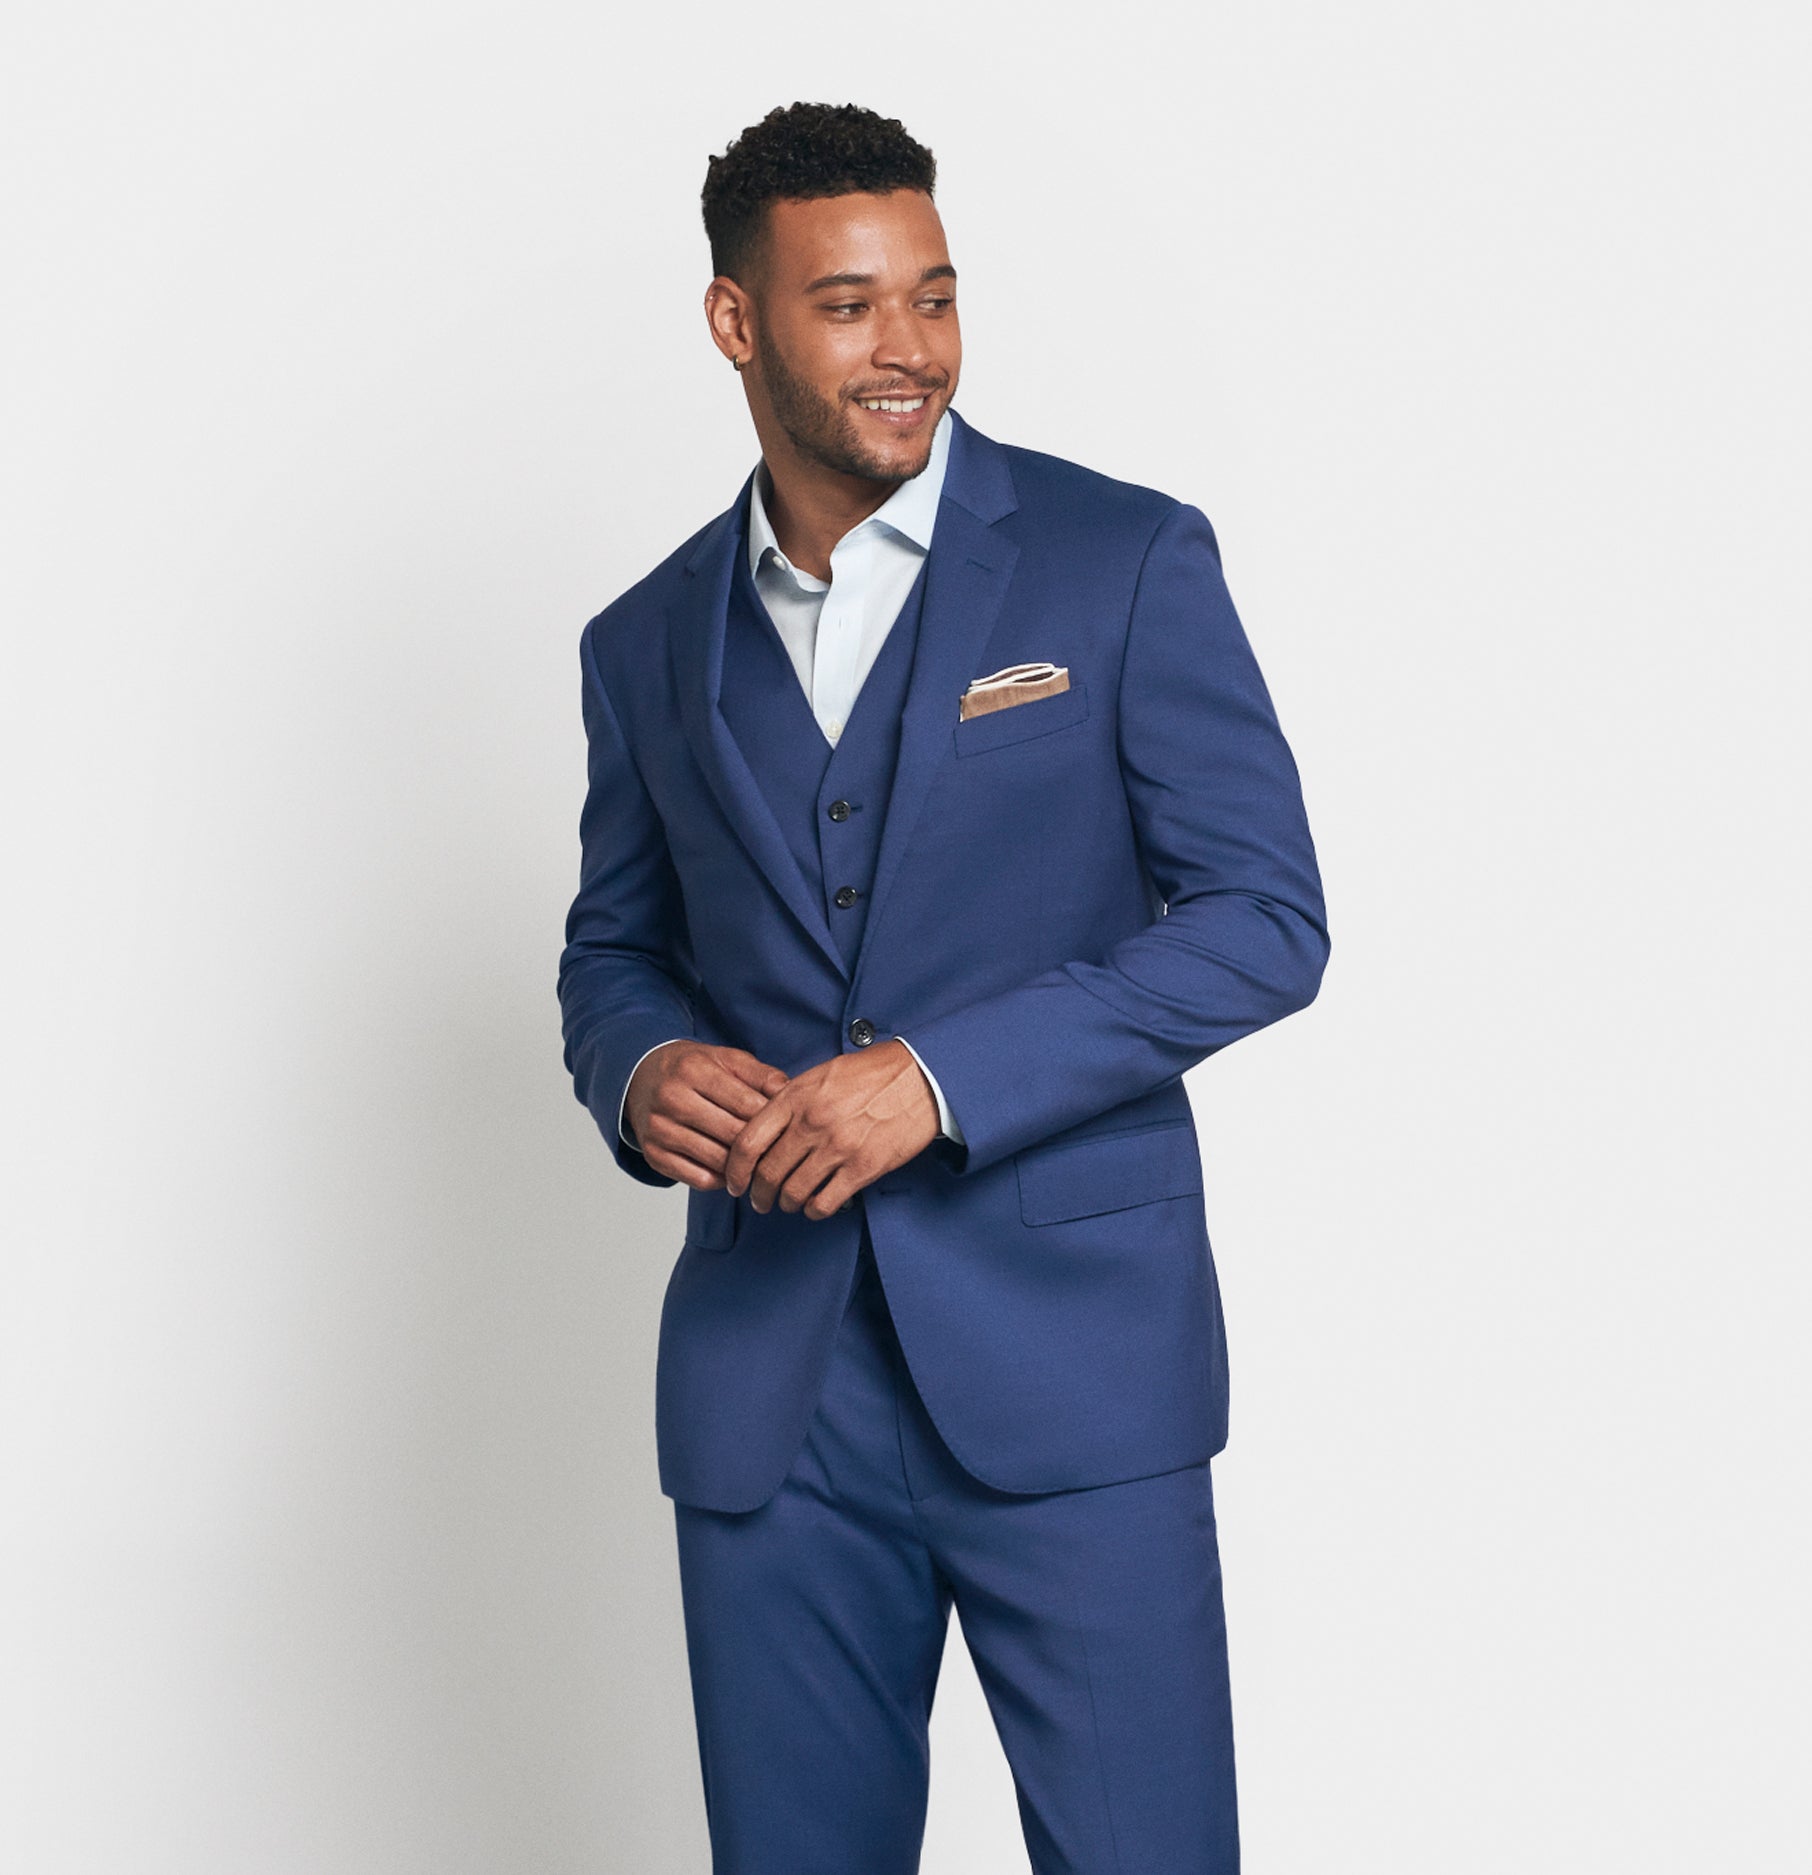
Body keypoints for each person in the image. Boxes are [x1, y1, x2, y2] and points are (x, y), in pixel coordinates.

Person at [557, 100, 1329, 1875]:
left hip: (1080, 1371)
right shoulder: (644, 640)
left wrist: (939, 1078)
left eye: (935, 295)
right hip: (775, 1397)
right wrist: (639, 1064)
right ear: (736, 323)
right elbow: (616, 947)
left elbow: (1263, 917)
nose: (909, 348)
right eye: (848, 305)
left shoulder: (1118, 560)